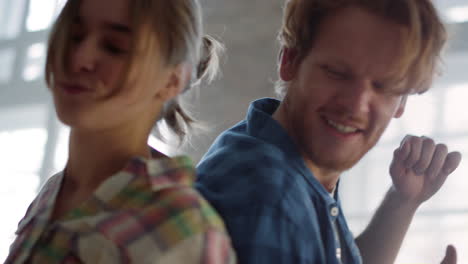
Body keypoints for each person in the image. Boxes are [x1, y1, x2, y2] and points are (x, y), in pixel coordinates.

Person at [196, 0, 461, 263]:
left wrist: (402, 201)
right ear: (290, 60)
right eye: (337, 73)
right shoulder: (269, 192)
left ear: (402, 102)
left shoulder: (289, 162)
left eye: (384, 86)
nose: (356, 105)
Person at [5, 0, 236, 263]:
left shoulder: (181, 229)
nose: (80, 58)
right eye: (74, 36)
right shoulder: (55, 191)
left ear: (172, 80)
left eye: (114, 47)